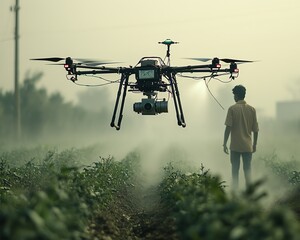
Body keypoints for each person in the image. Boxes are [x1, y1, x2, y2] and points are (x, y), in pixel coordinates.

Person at [223, 85, 259, 191]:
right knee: (247, 171)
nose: (234, 97)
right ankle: (250, 194)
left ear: (237, 95)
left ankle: (235, 194)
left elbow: (228, 128)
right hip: (247, 147)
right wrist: (254, 144)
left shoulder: (232, 109)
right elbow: (256, 130)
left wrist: (224, 143)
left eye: (234, 95)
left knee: (235, 172)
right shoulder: (252, 110)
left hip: (235, 146)